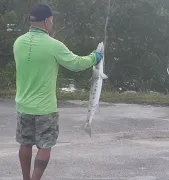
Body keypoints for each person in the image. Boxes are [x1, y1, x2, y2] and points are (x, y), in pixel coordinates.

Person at [12, 3, 104, 180]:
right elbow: (76, 64)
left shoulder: (18, 42)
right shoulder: (53, 45)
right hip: (45, 108)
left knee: (25, 143)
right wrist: (94, 57)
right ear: (46, 21)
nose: (53, 23)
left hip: (23, 106)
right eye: (52, 19)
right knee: (45, 147)